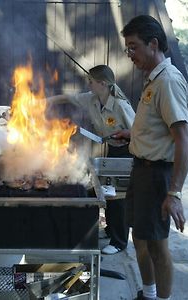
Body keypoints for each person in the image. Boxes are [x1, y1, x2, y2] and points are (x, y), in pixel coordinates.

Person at [116, 15, 188, 300]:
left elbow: (182, 139)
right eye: (128, 48)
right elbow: (156, 128)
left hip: (158, 175)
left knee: (158, 246)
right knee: (139, 237)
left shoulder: (168, 81)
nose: (130, 54)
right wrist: (132, 135)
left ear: (154, 44)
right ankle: (147, 294)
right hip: (142, 170)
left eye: (134, 47)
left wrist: (174, 193)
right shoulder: (153, 79)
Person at [46, 64, 135, 255]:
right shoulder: (91, 99)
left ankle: (119, 242)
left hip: (127, 153)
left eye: (91, 81)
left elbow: (139, 132)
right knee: (109, 193)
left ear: (102, 83)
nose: (88, 84)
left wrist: (125, 135)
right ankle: (111, 230)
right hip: (113, 150)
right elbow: (67, 97)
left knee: (119, 198)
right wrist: (43, 101)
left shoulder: (120, 105)